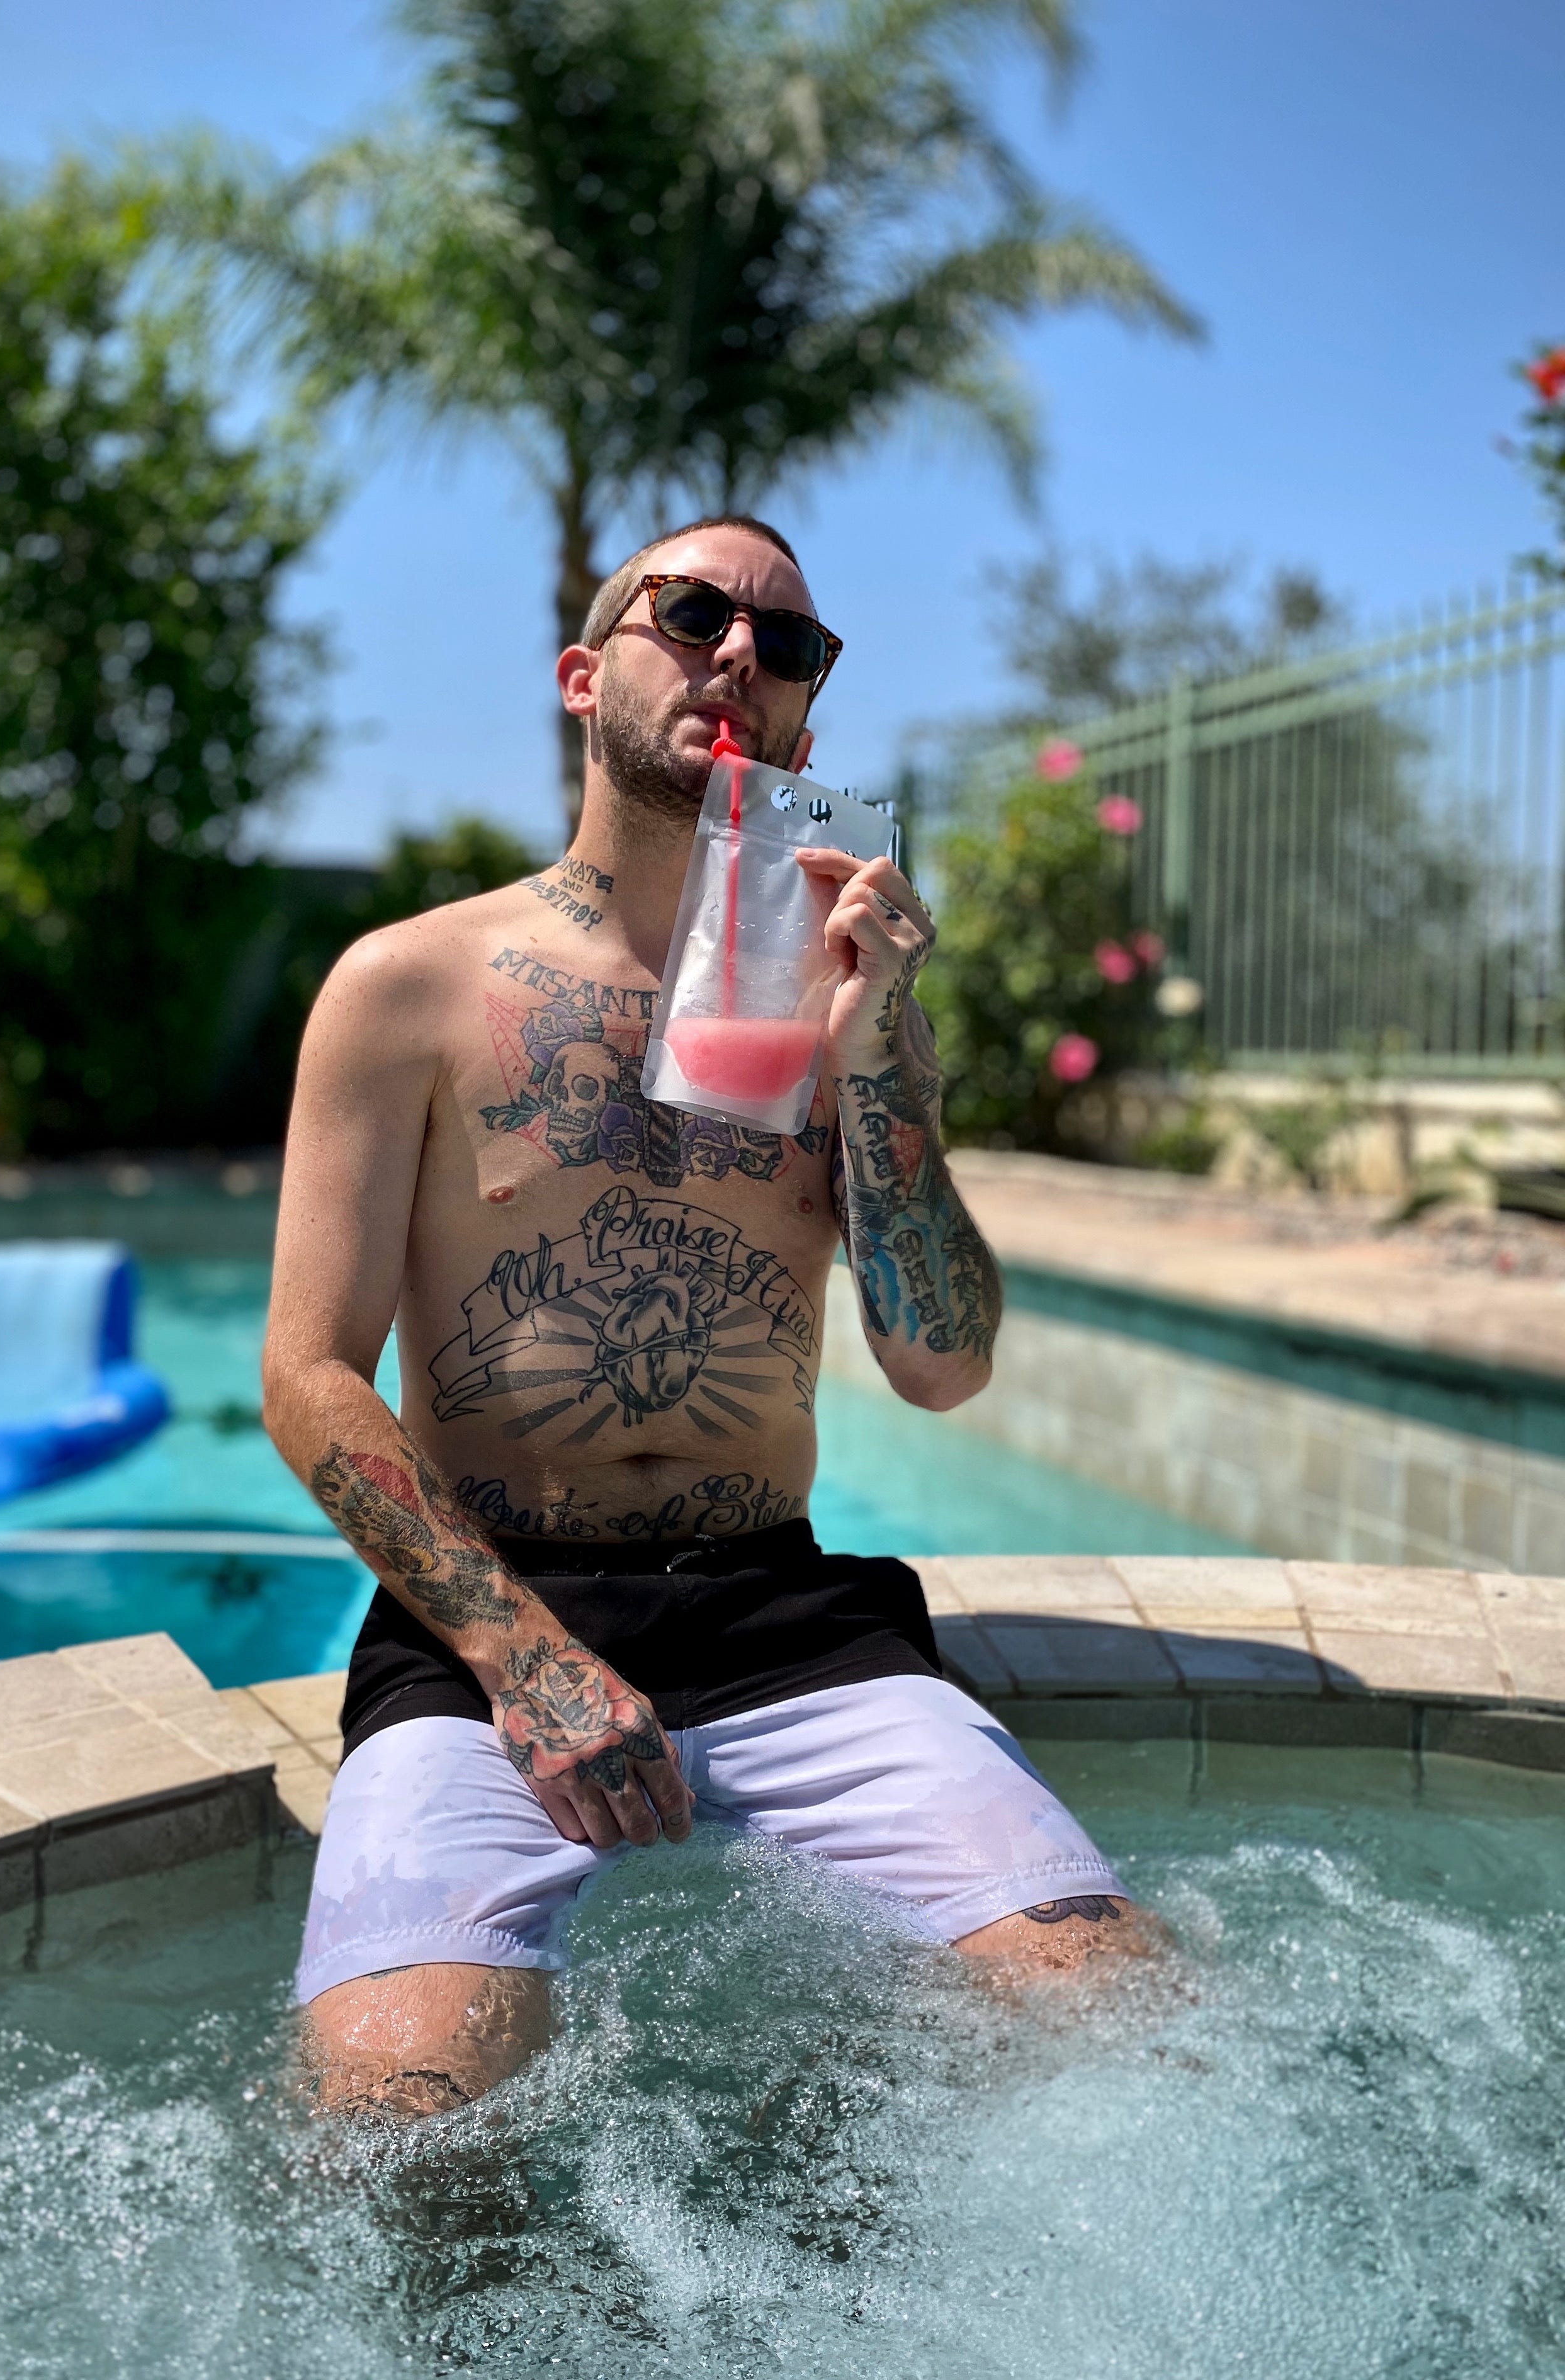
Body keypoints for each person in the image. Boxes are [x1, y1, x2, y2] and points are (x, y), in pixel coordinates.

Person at [263, 515, 1143, 2116]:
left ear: (803, 722)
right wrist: (525, 1659)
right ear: (582, 675)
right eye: (691, 616)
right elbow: (308, 1377)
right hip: (489, 1621)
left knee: (1130, 2030)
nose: (740, 655)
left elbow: (943, 1366)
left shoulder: (844, 1003)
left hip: (783, 1613)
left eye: (787, 645)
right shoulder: (408, 986)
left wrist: (882, 1060)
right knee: (398, 2123)